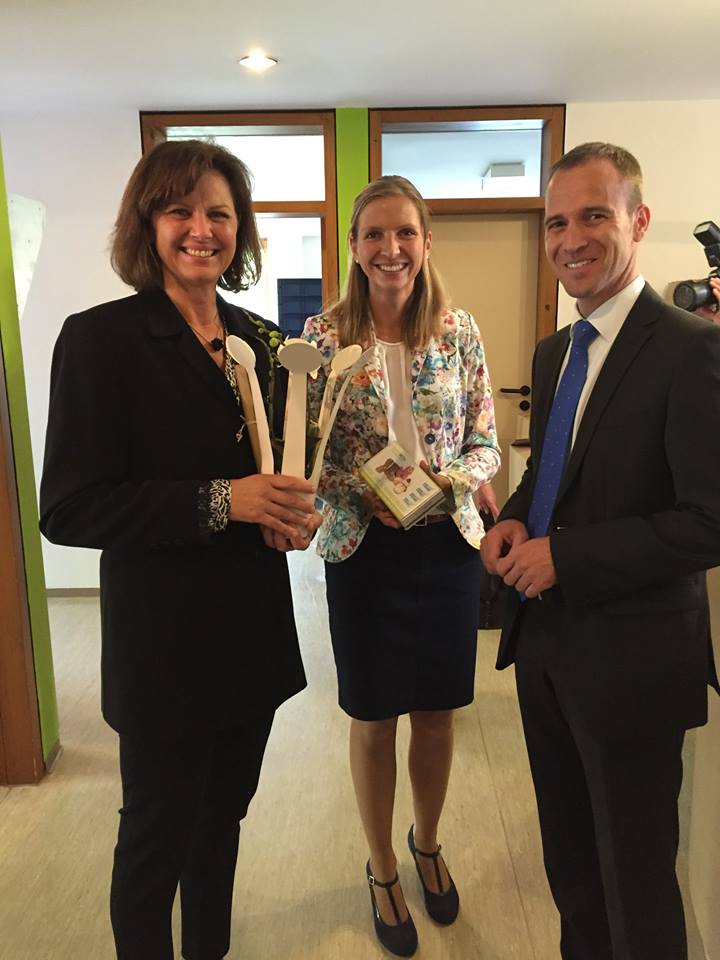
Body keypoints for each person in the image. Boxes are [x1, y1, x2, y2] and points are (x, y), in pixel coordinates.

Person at [39, 139, 322, 960]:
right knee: (156, 837)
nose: (202, 229)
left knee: (222, 820)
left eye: (219, 214)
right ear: (148, 224)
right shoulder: (101, 340)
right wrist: (225, 501)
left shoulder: (262, 340)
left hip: (252, 637)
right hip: (164, 648)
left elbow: (280, 471)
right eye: (180, 211)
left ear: (241, 229)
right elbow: (69, 507)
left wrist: (290, 515)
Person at [481, 142, 720, 959]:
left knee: (636, 883)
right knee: (572, 871)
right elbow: (554, 473)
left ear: (638, 221)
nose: (571, 238)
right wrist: (517, 519)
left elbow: (709, 521)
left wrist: (568, 557)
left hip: (636, 665)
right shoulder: (556, 352)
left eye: (593, 216)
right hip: (546, 649)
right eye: (556, 222)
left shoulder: (690, 348)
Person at [303, 175, 500, 957]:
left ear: (426, 242)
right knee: (374, 713)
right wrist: (362, 492)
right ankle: (382, 866)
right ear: (354, 247)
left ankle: (427, 841)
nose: (391, 248)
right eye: (375, 234)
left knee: (438, 711)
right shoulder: (323, 338)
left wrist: (446, 484)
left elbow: (485, 441)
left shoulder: (458, 330)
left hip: (445, 544)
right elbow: (307, 455)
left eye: (405, 233)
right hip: (363, 548)